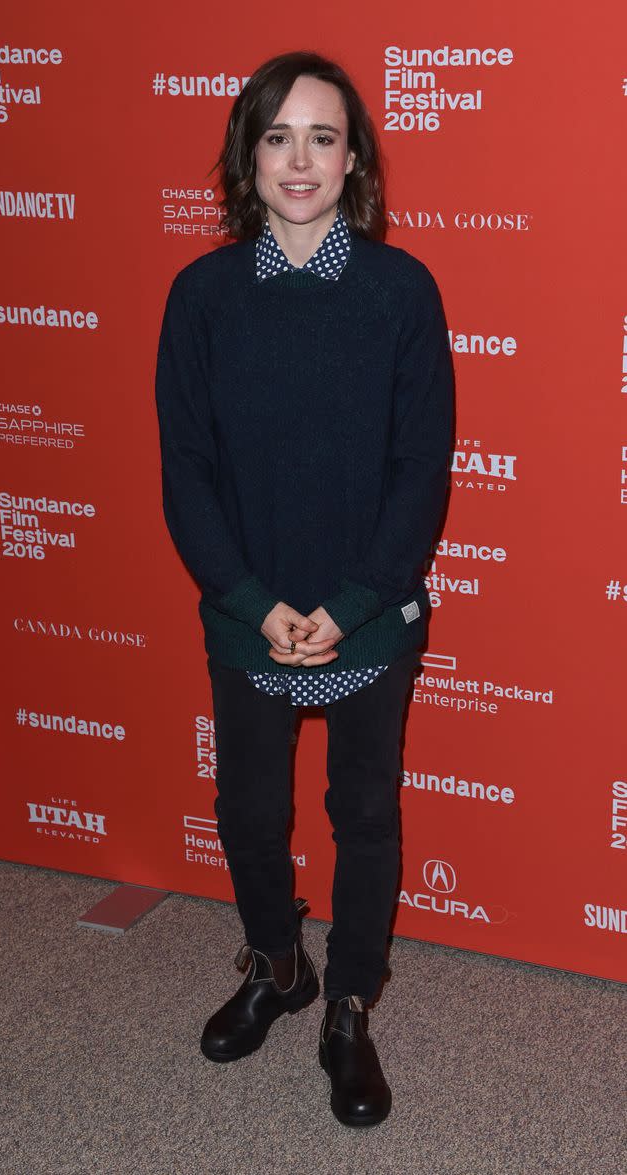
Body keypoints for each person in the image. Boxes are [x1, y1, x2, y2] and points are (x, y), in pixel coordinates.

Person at [154, 49, 454, 1129]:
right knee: (249, 809)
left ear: (353, 158)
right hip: (250, 615)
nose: (299, 157)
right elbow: (184, 467)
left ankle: (352, 1006)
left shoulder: (400, 289)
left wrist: (356, 598)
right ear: (248, 152)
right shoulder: (201, 297)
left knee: (364, 811)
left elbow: (423, 467)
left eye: (322, 135)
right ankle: (281, 968)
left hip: (367, 612)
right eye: (277, 134)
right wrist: (249, 598)